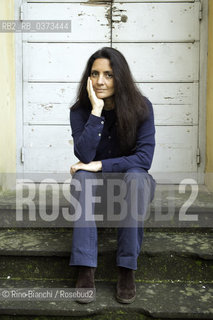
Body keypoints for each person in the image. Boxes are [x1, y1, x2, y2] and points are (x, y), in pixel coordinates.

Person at [69, 47, 156, 304]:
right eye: (94, 74)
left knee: (137, 177)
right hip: (97, 192)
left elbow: (144, 159)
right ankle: (86, 270)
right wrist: (96, 111)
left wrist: (101, 165)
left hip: (132, 189)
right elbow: (84, 155)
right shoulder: (80, 111)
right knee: (83, 177)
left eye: (108, 74)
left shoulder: (142, 108)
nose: (100, 81)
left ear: (120, 77)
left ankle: (127, 268)